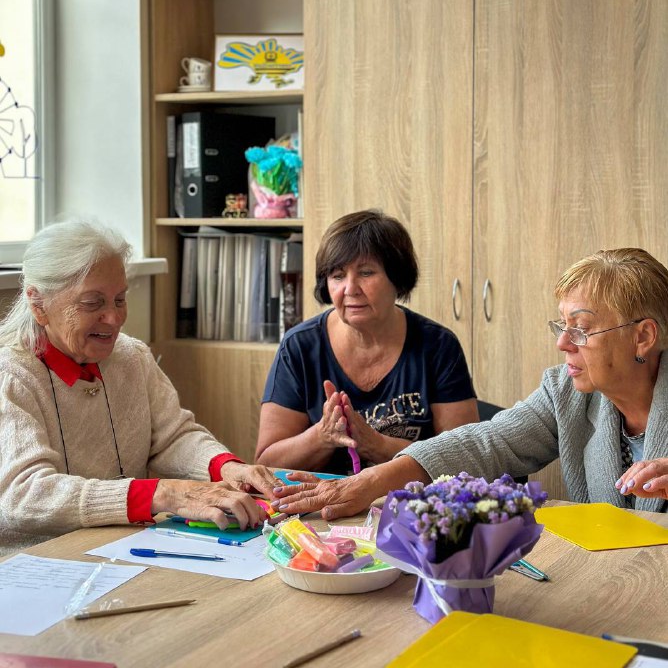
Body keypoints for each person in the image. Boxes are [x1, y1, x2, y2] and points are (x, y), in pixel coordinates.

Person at [271, 247, 668, 519]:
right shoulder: (564, 392)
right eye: (561, 326)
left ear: (643, 337)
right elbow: (486, 444)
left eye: (580, 329)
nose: (562, 343)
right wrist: (369, 482)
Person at [0, 219, 282, 556]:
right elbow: (24, 494)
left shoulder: (131, 357)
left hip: (120, 547)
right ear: (38, 304)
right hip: (37, 561)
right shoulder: (12, 376)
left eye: (119, 299)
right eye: (93, 303)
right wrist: (160, 494)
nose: (115, 318)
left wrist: (226, 467)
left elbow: (173, 437)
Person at [255, 209, 478, 475]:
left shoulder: (438, 346)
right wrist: (323, 435)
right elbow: (266, 463)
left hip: (409, 507)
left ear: (398, 279)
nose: (350, 289)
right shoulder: (300, 348)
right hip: (319, 508)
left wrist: (376, 444)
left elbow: (465, 460)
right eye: (337, 276)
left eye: (366, 272)